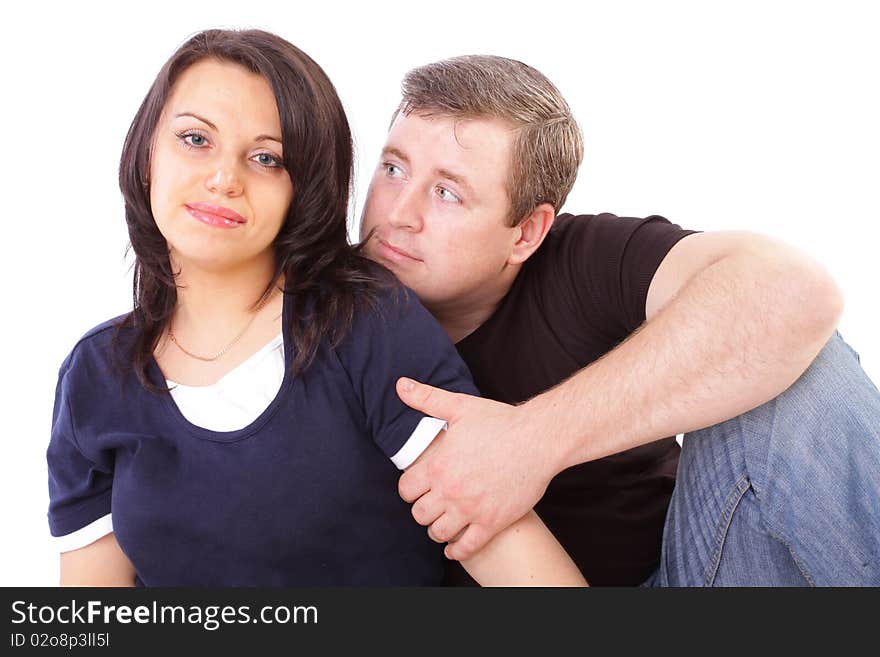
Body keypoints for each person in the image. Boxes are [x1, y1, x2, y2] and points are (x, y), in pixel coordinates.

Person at [46, 31, 586, 587]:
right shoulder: (94, 375)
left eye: (266, 158)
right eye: (194, 138)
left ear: (303, 189)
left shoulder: (367, 327)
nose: (224, 179)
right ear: (146, 155)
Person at [359, 55, 880, 585]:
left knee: (797, 368)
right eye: (393, 168)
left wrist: (530, 441)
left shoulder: (581, 260)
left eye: (447, 192)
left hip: (694, 570)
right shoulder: (322, 312)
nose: (397, 213)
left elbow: (793, 291)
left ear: (526, 233)